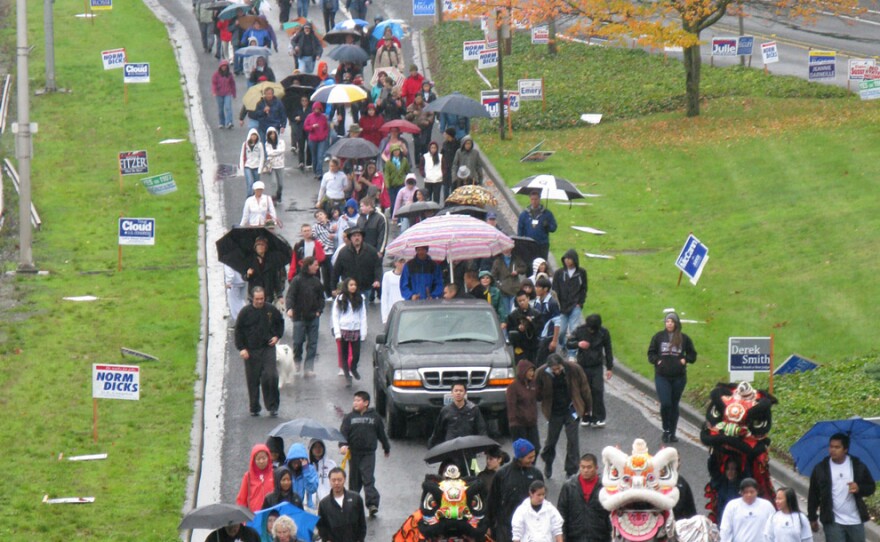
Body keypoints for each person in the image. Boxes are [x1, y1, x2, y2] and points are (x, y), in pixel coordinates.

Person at [807, 433, 876, 542]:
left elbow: (871, 487)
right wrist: (812, 517)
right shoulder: (821, 469)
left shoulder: (857, 466)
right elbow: (813, 494)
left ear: (845, 449)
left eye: (837, 447)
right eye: (831, 446)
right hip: (832, 520)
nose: (832, 450)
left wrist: (859, 488)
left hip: (855, 520)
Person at [535, 353, 591, 479]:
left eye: (558, 369)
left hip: (572, 409)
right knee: (551, 441)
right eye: (553, 370)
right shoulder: (541, 373)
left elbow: (585, 388)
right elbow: (537, 393)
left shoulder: (574, 369)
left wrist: (587, 408)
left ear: (562, 365)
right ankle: (548, 461)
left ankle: (571, 470)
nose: (556, 372)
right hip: (554, 412)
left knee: (573, 441)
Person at [647, 311, 698, 443]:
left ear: (676, 323)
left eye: (671, 321)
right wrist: (657, 361)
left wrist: (684, 360)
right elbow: (651, 353)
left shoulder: (684, 338)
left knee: (674, 404)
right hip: (662, 376)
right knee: (666, 403)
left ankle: (673, 432)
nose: (669, 324)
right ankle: (666, 429)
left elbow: (693, 355)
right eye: (667, 321)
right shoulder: (658, 337)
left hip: (678, 377)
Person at [339, 391, 391, 517]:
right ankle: (352, 503)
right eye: (354, 400)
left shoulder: (374, 418)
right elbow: (343, 434)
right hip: (354, 454)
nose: (355, 403)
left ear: (366, 403)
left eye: (358, 400)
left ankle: (372, 503)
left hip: (368, 454)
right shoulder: (349, 418)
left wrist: (386, 447)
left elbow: (381, 434)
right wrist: (342, 445)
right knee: (354, 481)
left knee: (368, 478)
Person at [235, 287, 283, 417]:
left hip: (267, 347)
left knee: (271, 375)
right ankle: (254, 407)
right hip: (251, 350)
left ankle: (272, 406)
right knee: (253, 379)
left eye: (262, 299)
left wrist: (277, 336)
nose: (260, 301)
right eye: (257, 299)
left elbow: (280, 322)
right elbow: (238, 331)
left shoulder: (270, 310)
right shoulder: (245, 313)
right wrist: (242, 348)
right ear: (252, 298)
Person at [487, 438, 544, 542]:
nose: (532, 460)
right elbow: (492, 501)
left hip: (530, 526)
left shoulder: (536, 474)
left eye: (534, 456)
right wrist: (489, 525)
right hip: (507, 528)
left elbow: (542, 498)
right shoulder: (502, 474)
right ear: (520, 457)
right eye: (529, 457)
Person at [566, 313, 613, 427]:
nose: (591, 331)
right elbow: (569, 343)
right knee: (584, 391)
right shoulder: (580, 330)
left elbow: (608, 349)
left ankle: (598, 417)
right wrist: (578, 344)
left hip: (597, 365)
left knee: (597, 390)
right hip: (583, 365)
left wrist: (609, 367)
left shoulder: (603, 333)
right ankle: (585, 415)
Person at [557, 453, 611, 542]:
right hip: (574, 537)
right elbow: (561, 514)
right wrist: (562, 537)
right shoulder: (569, 486)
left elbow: (610, 514)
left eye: (589, 467)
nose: (585, 470)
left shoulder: (604, 487)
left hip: (599, 537)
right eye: (583, 467)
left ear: (596, 468)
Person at [285, 257, 324, 378]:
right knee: (297, 342)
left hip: (313, 316)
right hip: (299, 317)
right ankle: (297, 362)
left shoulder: (316, 281)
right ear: (309, 266)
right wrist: (290, 308)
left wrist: (319, 311)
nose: (317, 267)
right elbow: (290, 296)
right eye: (315, 265)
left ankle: (308, 368)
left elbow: (321, 298)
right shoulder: (297, 280)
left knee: (312, 343)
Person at [428, 382, 488, 449]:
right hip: (450, 446)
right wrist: (431, 445)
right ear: (452, 393)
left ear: (465, 393)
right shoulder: (445, 410)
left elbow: (481, 428)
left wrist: (485, 445)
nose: (458, 393)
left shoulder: (473, 409)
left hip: (468, 445)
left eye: (461, 391)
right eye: (456, 391)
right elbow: (438, 430)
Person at [332, 278, 368, 387]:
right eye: (351, 285)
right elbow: (335, 316)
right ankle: (347, 375)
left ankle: (353, 367)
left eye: (355, 285)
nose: (353, 287)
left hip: (355, 329)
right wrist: (337, 332)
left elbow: (363, 315)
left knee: (356, 354)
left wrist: (363, 332)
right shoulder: (340, 298)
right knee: (344, 354)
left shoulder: (360, 298)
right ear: (346, 286)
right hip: (344, 329)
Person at [552, 249, 588, 357]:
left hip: (575, 306)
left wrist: (580, 303)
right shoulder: (559, 273)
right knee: (561, 331)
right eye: (566, 259)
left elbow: (584, 288)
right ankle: (563, 345)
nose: (567, 261)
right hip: (562, 307)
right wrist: (557, 303)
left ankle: (572, 352)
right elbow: (555, 289)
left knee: (573, 329)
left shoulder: (581, 273)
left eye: (570, 259)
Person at [317, 468, 367, 542]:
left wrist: (360, 539)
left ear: (344, 479)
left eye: (339, 480)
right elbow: (321, 526)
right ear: (329, 481)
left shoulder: (356, 498)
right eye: (333, 480)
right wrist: (326, 539)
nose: (336, 483)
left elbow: (362, 521)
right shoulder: (324, 504)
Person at [332, 227, 383, 301]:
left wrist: (377, 280)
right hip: (349, 289)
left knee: (364, 311)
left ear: (362, 237)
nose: (357, 238)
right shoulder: (343, 252)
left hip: (365, 287)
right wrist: (334, 288)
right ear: (350, 238)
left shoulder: (371, 251)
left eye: (359, 235)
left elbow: (377, 267)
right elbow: (336, 270)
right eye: (354, 236)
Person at [719, 478, 776, 542]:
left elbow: (774, 527)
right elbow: (725, 529)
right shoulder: (732, 505)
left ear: (757, 491)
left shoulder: (767, 506)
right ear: (741, 492)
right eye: (746, 492)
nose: (749, 495)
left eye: (752, 492)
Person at [506, 360, 540, 453]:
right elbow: (511, 405)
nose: (532, 373)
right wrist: (513, 422)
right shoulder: (513, 387)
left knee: (535, 448)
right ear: (523, 371)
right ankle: (520, 467)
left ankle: (530, 467)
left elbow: (538, 398)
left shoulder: (533, 384)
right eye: (529, 371)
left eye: (533, 371)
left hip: (531, 423)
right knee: (523, 451)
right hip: (518, 424)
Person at [517, 190, 558, 261]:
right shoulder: (524, 214)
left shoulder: (547, 214)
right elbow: (520, 231)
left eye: (536, 199)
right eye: (532, 199)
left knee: (541, 264)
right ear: (530, 200)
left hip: (542, 245)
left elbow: (553, 228)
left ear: (539, 199)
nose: (534, 201)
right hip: (528, 245)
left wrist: (547, 225)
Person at [237, 443, 276, 511]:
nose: (261, 461)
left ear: (268, 458)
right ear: (253, 460)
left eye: (264, 458)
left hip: (272, 515)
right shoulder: (248, 477)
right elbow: (242, 500)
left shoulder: (275, 474)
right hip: (254, 517)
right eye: (258, 459)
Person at [245, 237, 285, 302]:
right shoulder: (250, 260)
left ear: (265, 248)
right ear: (255, 248)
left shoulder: (271, 261)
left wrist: (279, 295)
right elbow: (245, 277)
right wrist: (248, 274)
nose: (260, 247)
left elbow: (276, 279)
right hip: (254, 295)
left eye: (262, 245)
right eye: (258, 245)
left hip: (268, 295)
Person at [492, 247, 527, 320]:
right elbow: (493, 276)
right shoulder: (498, 261)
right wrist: (499, 285)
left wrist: (517, 271)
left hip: (514, 289)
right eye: (505, 248)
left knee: (513, 311)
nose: (507, 250)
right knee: (505, 312)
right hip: (503, 291)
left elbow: (524, 268)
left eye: (509, 248)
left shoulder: (516, 259)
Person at [532, 277, 560, 365]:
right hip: (537, 337)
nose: (535, 289)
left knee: (545, 363)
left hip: (547, 338)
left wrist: (554, 341)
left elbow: (557, 322)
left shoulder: (552, 303)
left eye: (538, 287)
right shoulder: (536, 301)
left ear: (545, 289)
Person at [285, 442, 320, 510]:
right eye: (294, 462)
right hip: (289, 507)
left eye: (298, 462)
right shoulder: (285, 471)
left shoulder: (310, 469)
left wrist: (306, 471)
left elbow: (312, 489)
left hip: (306, 508)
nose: (296, 465)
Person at [304, 102, 330, 178]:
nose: (317, 110)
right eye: (315, 109)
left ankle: (319, 172)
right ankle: (315, 170)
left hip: (322, 139)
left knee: (320, 156)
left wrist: (325, 135)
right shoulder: (309, 116)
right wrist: (312, 127)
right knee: (314, 156)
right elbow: (305, 127)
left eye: (318, 109)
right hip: (312, 139)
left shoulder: (323, 117)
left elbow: (326, 128)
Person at [380, 256, 406, 325]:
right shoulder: (387, 275)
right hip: (392, 309)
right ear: (395, 263)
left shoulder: (407, 276)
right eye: (400, 262)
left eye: (404, 262)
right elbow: (385, 295)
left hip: (405, 309)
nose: (402, 264)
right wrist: (385, 317)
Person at [289, 94, 311, 170]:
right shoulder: (298, 109)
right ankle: (301, 162)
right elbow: (292, 117)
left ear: (308, 102)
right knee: (301, 146)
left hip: (308, 130)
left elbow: (308, 117)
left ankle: (309, 162)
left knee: (309, 147)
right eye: (302, 100)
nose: (304, 102)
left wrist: (300, 117)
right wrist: (296, 118)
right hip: (300, 129)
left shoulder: (310, 109)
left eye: (305, 100)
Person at [211, 60, 236, 129]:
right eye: (223, 66)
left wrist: (234, 93)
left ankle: (229, 122)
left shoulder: (229, 75)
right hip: (219, 94)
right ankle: (221, 123)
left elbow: (232, 84)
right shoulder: (216, 75)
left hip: (227, 93)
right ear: (220, 67)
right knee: (220, 109)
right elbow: (214, 84)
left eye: (225, 66)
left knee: (228, 108)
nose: (224, 67)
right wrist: (214, 91)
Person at [240, 128, 266, 197]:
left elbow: (262, 157)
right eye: (252, 136)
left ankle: (255, 197)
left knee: (256, 184)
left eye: (255, 136)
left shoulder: (260, 145)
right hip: (247, 166)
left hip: (256, 166)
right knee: (250, 182)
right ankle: (248, 197)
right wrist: (242, 167)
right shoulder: (245, 144)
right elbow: (242, 156)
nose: (254, 137)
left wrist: (260, 168)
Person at [264, 127, 286, 201]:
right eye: (270, 134)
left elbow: (282, 150)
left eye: (273, 134)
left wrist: (274, 153)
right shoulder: (267, 143)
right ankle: (273, 198)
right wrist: (277, 152)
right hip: (271, 165)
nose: (272, 135)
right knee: (273, 182)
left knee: (281, 184)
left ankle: (279, 194)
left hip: (280, 165)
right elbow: (269, 153)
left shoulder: (281, 142)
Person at [440, 127, 460, 200]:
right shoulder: (445, 144)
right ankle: (446, 201)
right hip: (446, 168)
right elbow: (442, 154)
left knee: (453, 186)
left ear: (449, 135)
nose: (444, 135)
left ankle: (453, 201)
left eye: (445, 134)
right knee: (445, 187)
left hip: (454, 168)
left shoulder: (457, 145)